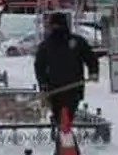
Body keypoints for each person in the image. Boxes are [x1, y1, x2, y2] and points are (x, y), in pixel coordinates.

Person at [34, 13, 99, 144]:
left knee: (64, 120)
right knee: (64, 120)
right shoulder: (47, 45)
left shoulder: (73, 42)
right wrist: (43, 86)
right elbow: (39, 67)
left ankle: (64, 147)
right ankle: (65, 147)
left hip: (68, 88)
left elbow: (91, 58)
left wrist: (93, 72)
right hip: (59, 89)